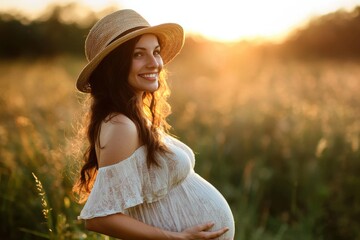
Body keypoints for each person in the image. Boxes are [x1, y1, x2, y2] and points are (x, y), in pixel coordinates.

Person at [73, 9, 235, 240]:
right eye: (138, 54)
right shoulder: (121, 126)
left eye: (156, 52)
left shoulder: (135, 118)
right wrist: (177, 238)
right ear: (114, 66)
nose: (154, 63)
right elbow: (99, 218)